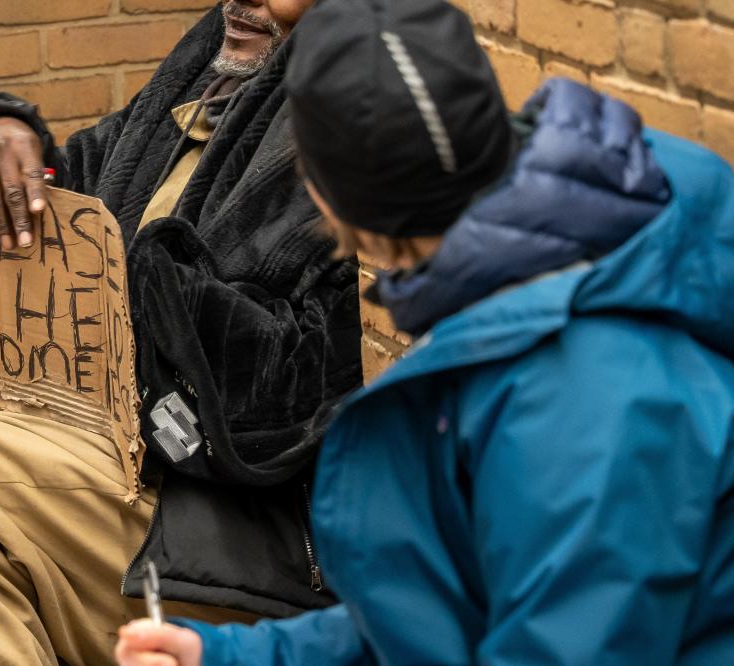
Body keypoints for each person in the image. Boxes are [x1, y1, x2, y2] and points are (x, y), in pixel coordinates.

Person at [114, 0, 734, 663]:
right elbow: (432, 617)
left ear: (324, 191)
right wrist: (226, 658)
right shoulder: (512, 291)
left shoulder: (587, 398)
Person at [0, 1, 364, 664]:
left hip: (235, 513)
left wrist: (158, 284)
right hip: (109, 451)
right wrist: (7, 138)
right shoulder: (207, 80)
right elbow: (76, 184)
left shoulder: (346, 114)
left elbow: (296, 389)